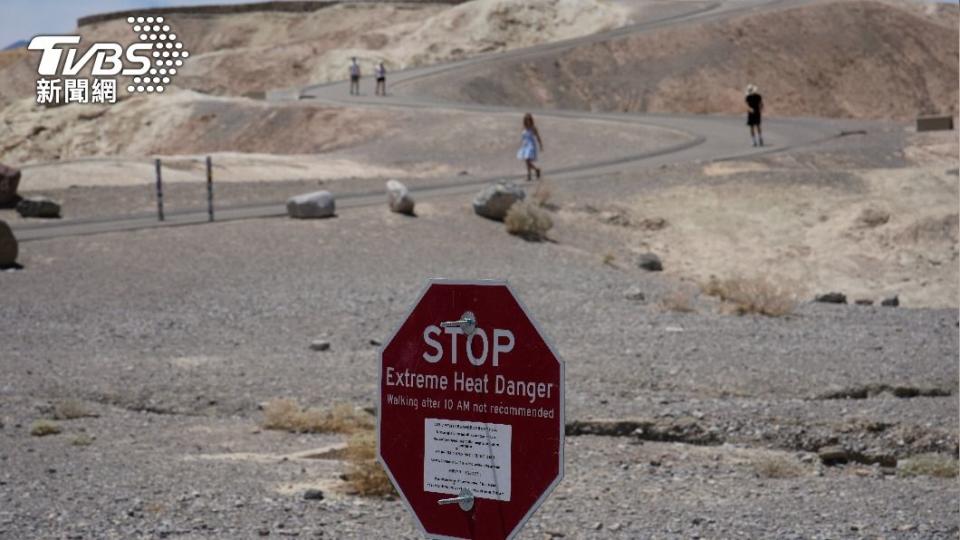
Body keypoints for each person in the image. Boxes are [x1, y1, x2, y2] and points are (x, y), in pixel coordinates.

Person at [516, 113, 543, 181]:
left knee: (527, 160)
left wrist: (541, 145)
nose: (528, 121)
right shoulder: (524, 128)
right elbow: (523, 137)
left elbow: (538, 137)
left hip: (531, 145)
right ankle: (536, 170)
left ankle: (529, 176)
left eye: (529, 120)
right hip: (525, 145)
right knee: (527, 161)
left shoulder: (533, 128)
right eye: (526, 120)